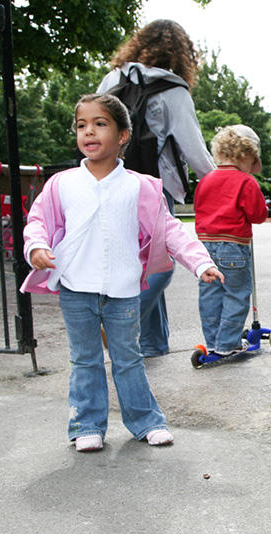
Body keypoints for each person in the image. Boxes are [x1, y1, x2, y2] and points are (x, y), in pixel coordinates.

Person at [20, 93, 224, 452]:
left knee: (128, 358)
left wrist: (201, 262)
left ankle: (146, 421)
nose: (89, 132)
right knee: (85, 360)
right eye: (82, 125)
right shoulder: (61, 184)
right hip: (75, 287)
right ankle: (87, 425)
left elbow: (170, 230)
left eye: (100, 124)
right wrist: (36, 247)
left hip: (124, 289)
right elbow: (38, 221)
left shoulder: (140, 187)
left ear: (123, 135)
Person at [97, 19, 216, 357]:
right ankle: (119, 321)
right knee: (161, 266)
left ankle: (151, 346)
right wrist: (222, 179)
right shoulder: (173, 90)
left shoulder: (112, 80)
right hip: (152, 187)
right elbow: (195, 152)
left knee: (143, 263)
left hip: (112, 182)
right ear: (180, 54)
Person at [194, 125, 269, 356]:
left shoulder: (205, 180)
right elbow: (257, 215)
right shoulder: (245, 182)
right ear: (245, 156)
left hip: (205, 246)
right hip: (233, 246)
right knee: (236, 294)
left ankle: (214, 341)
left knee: (211, 294)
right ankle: (228, 344)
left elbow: (199, 209)